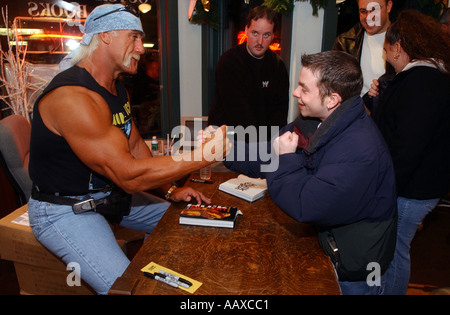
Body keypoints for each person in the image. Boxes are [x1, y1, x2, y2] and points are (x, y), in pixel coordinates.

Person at [27, 4, 230, 295]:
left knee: (189, 221)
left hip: (108, 197)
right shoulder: (72, 98)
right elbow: (127, 175)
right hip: (65, 210)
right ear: (106, 36)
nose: (141, 48)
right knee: (130, 290)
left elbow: (134, 146)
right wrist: (203, 156)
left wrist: (170, 190)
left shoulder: (114, 87)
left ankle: (157, 276)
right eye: (134, 37)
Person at [221, 50, 398, 294]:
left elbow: (305, 203)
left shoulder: (359, 150)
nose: (295, 93)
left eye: (304, 89)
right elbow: (271, 148)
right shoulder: (315, 120)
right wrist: (226, 149)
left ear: (332, 99)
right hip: (330, 249)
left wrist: (284, 158)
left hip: (356, 270)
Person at [369, 9, 450, 295]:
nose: (387, 58)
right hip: (420, 186)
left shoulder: (421, 83)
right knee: (397, 248)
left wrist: (386, 188)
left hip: (409, 188)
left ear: (399, 48)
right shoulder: (431, 78)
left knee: (393, 252)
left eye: (388, 51)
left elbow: (406, 145)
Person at [207, 6, 289, 141]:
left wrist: (272, 145)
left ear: (273, 36)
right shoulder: (229, 62)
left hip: (262, 143)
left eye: (266, 35)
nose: (260, 41)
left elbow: (279, 113)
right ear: (246, 30)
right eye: (255, 33)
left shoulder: (278, 66)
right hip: (228, 140)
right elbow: (238, 112)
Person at [333, 0, 394, 96]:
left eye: (374, 10)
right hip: (355, 108)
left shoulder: (405, 42)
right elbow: (336, 86)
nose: (369, 17)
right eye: (363, 11)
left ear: (388, 7)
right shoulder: (345, 42)